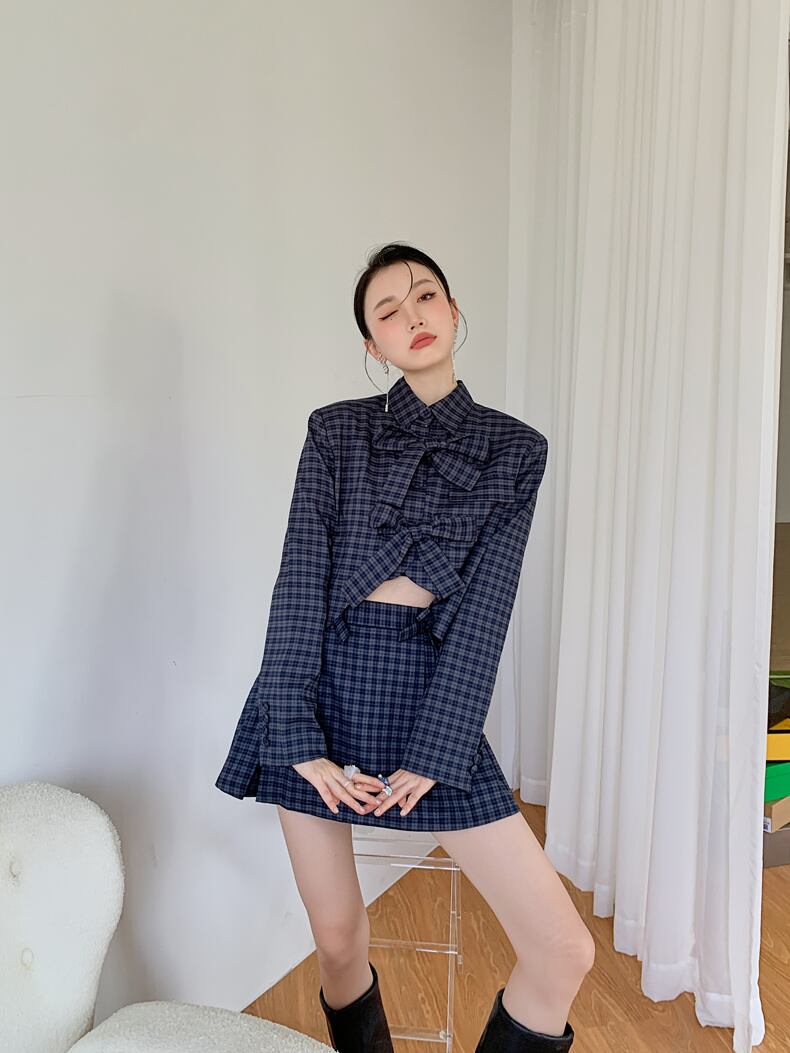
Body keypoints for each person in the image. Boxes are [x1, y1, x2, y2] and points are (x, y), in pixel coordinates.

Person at [215, 243, 594, 1052]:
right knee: (338, 938)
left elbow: (487, 606)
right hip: (315, 685)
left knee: (563, 948)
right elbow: (299, 581)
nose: (411, 315)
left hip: (425, 693)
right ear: (372, 343)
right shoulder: (335, 431)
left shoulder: (515, 448)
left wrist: (440, 744)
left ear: (454, 311)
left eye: (425, 296)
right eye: (387, 310)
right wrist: (297, 737)